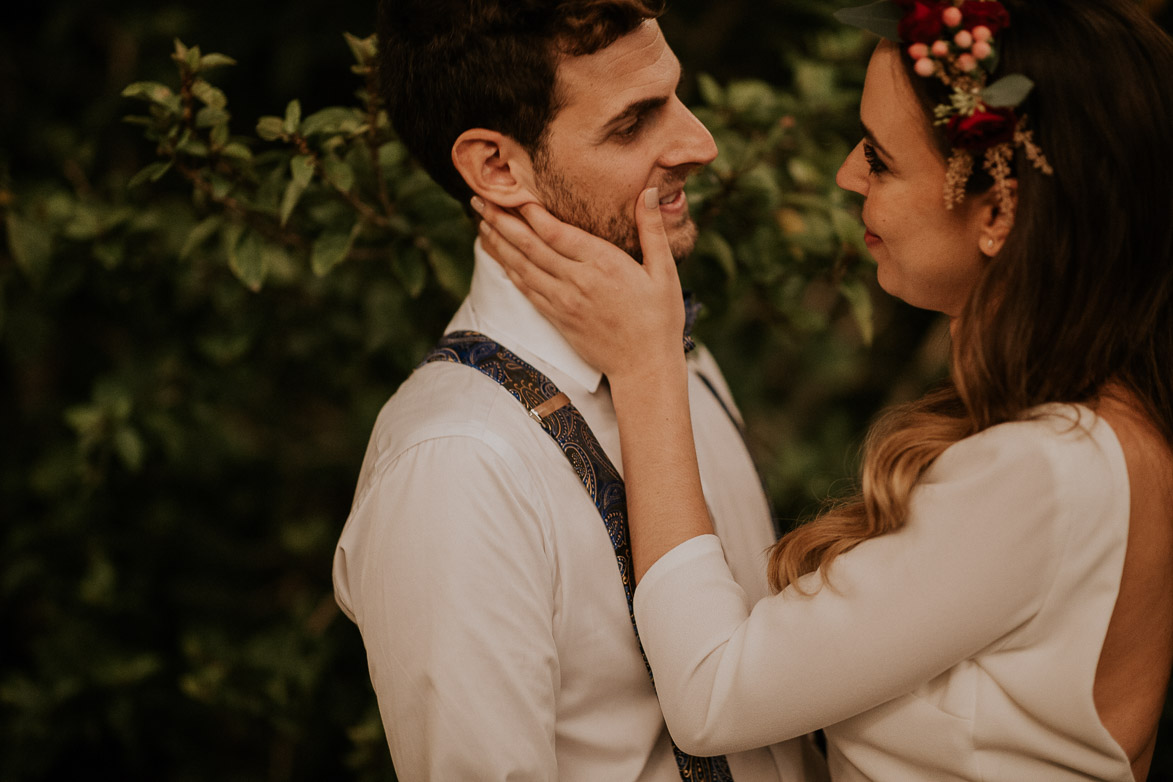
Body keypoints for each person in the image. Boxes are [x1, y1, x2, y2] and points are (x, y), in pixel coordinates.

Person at [475, 0, 1173, 779]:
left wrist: (645, 370)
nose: (847, 173)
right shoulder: (1106, 436)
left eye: (879, 157)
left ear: (998, 209)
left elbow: (713, 696)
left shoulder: (1045, 468)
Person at [331, 1, 824, 779]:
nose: (700, 143)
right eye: (633, 123)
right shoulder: (455, 465)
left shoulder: (674, 352)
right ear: (496, 166)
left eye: (676, 96)